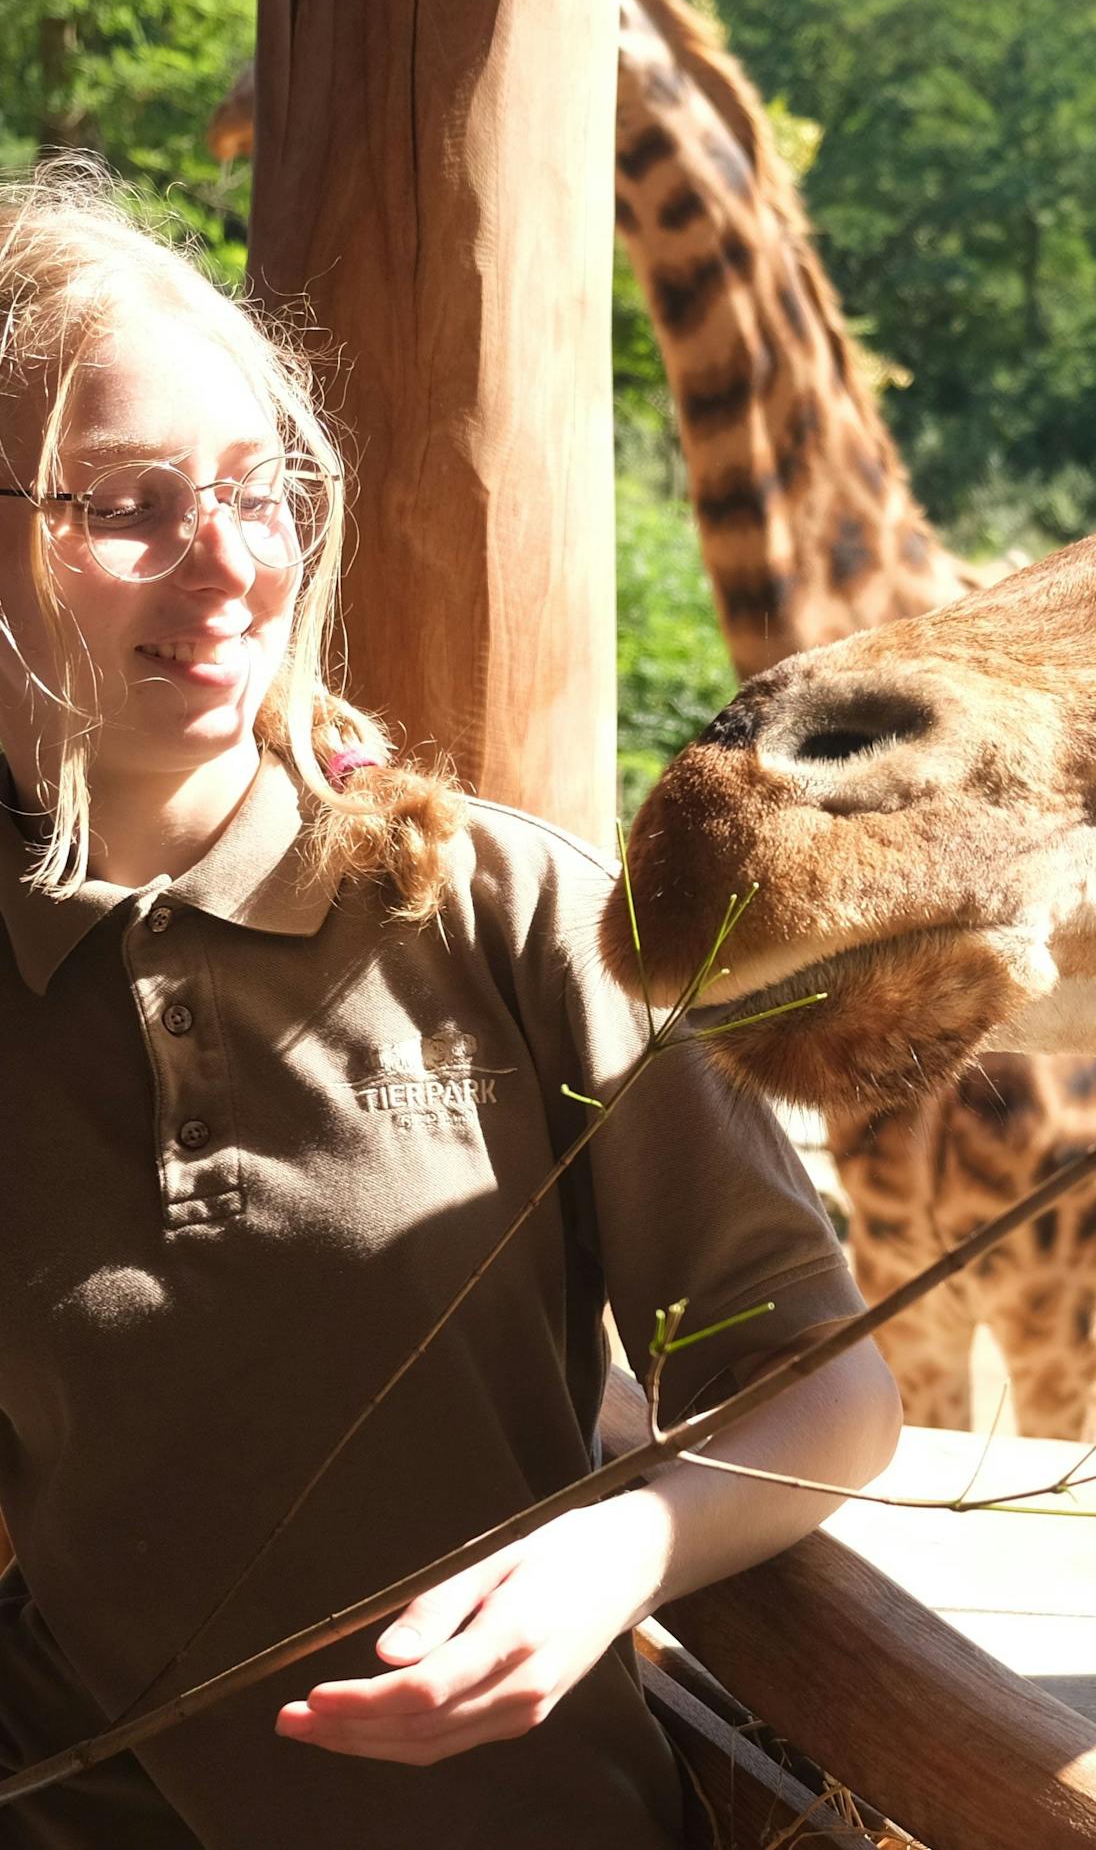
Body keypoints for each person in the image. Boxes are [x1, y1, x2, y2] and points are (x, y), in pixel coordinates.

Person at [0, 161, 901, 1848]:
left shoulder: (508, 912)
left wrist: (619, 1548)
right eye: (126, 503)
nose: (228, 566)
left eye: (256, 492)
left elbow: (830, 1387)